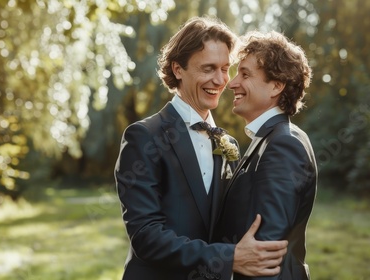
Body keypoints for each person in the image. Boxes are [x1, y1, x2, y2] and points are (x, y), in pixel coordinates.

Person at [114, 17, 288, 280]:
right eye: (208, 69)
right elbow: (146, 236)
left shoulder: (228, 142)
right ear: (178, 69)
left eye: (225, 69)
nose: (221, 81)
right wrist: (229, 258)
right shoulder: (143, 136)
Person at [213, 30, 317, 280]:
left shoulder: (284, 145)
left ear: (276, 86)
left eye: (245, 74)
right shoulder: (270, 139)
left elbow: (265, 253)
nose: (232, 83)